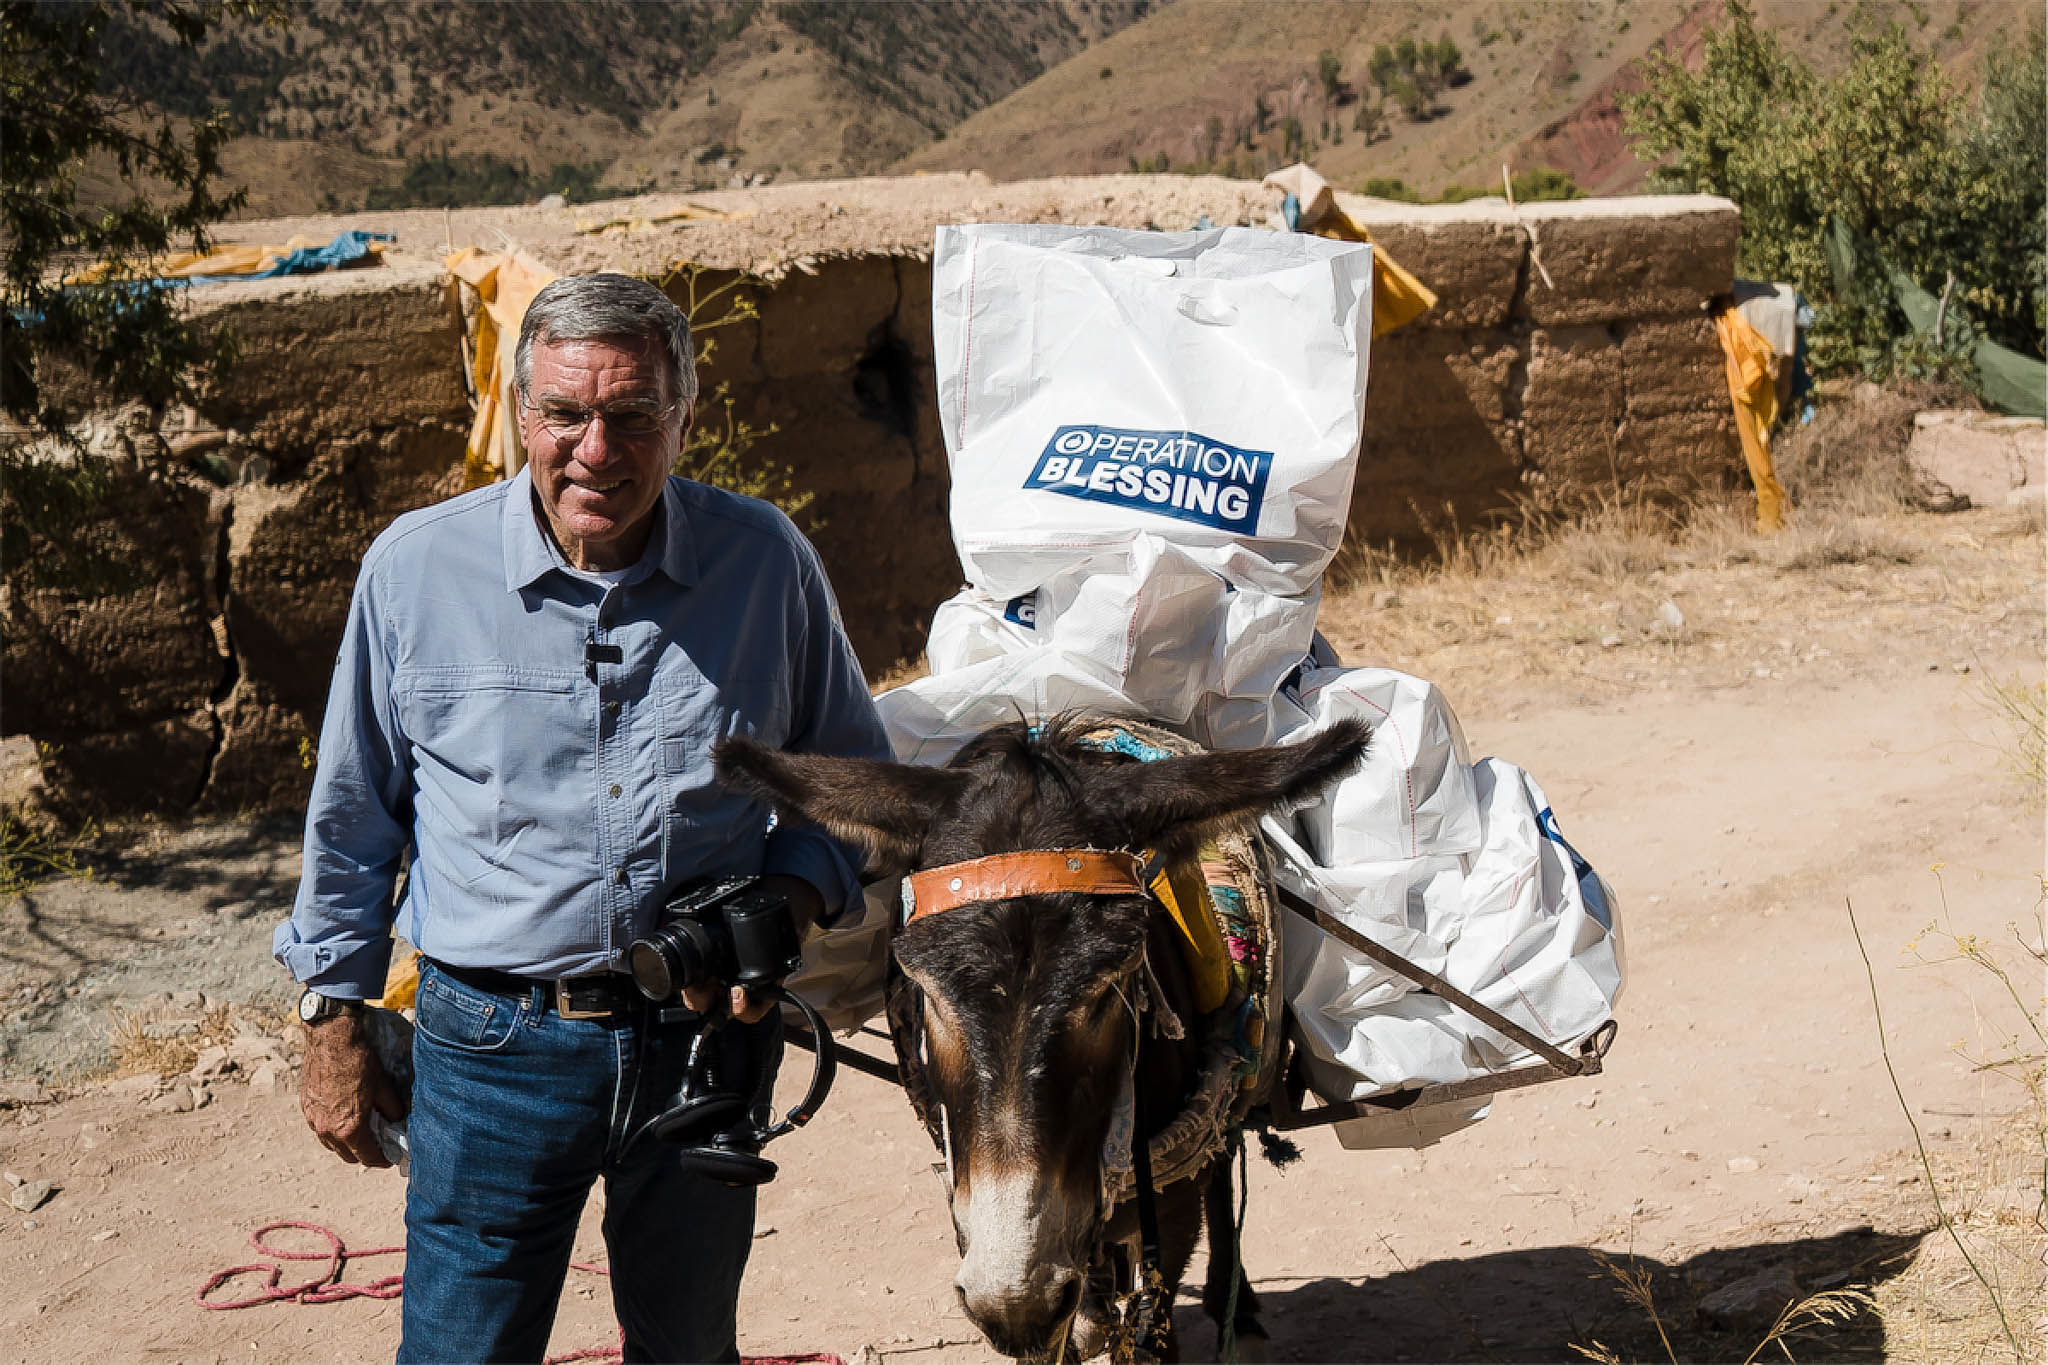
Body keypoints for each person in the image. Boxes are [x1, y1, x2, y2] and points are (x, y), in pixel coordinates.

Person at [274, 272, 893, 1363]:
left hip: (705, 1040)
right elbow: (353, 818)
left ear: (683, 419)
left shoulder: (764, 565)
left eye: (632, 415)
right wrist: (332, 1019)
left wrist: (784, 901)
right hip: (491, 1049)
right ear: (521, 413)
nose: (595, 451)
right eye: (564, 413)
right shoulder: (416, 571)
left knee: (687, 1348)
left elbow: (853, 787)